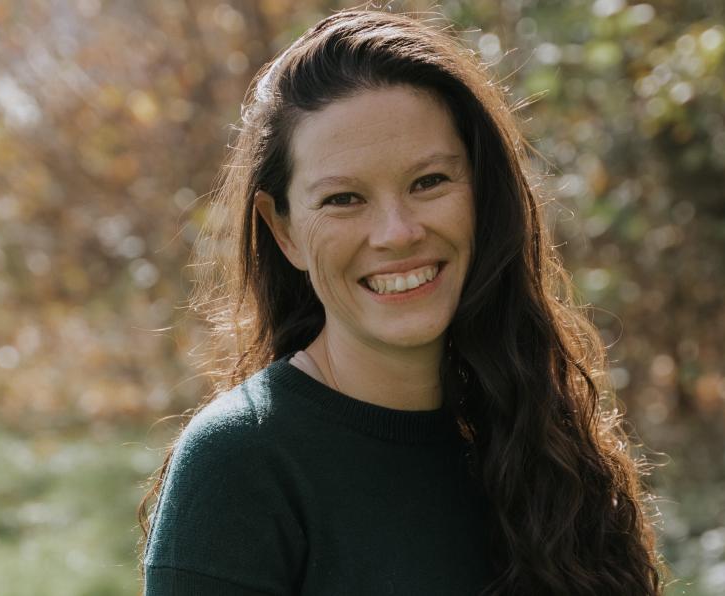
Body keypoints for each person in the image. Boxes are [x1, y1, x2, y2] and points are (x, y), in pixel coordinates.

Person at [138, 8, 666, 595]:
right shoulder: (239, 467)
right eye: (343, 199)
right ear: (283, 230)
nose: (397, 232)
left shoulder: (546, 440)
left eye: (429, 182)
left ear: (480, 194)